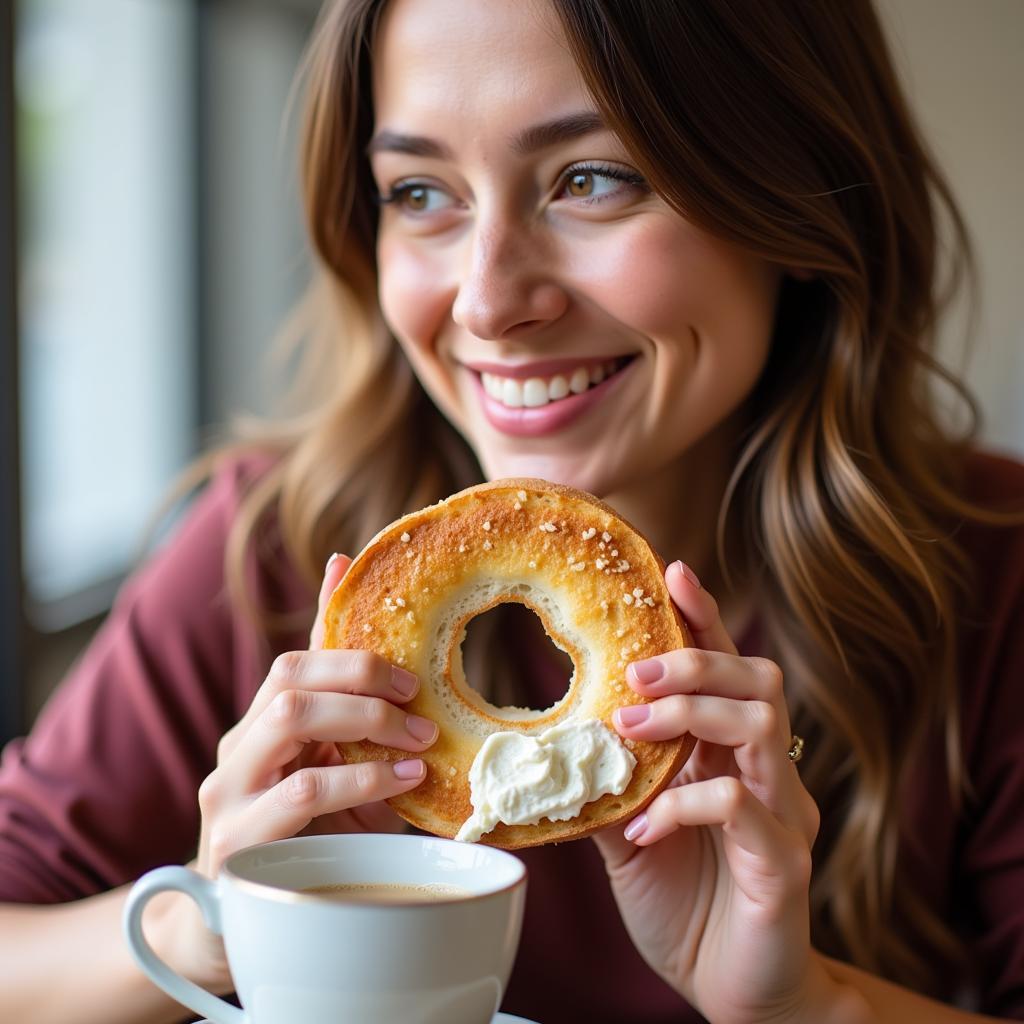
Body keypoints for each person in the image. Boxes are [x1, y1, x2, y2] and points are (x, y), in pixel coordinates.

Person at [1, 0, 1023, 1021]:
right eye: (420, 192)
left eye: (592, 179)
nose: (487, 300)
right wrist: (209, 917)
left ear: (794, 199)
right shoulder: (272, 553)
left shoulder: (993, 570)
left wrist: (803, 1004)